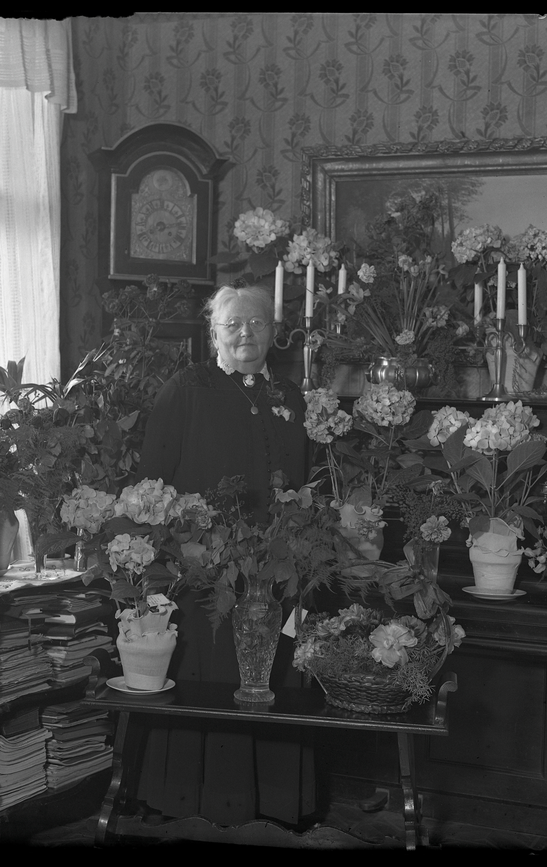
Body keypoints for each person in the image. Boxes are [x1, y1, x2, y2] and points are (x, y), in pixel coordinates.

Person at [134, 283, 318, 828]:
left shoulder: (292, 397)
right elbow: (151, 482)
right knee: (209, 674)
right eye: (233, 323)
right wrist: (176, 550)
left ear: (274, 333)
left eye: (256, 323)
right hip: (202, 568)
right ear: (213, 331)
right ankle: (190, 803)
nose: (245, 333)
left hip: (276, 569)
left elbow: (308, 481)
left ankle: (276, 804)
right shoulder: (186, 388)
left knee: (274, 674)